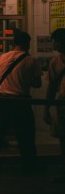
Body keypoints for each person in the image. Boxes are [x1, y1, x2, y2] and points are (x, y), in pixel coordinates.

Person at [0, 29, 42, 174]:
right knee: (26, 136)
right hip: (21, 102)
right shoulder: (31, 60)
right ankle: (28, 167)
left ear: (13, 43)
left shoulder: (2, 58)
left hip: (2, 101)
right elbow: (37, 83)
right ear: (27, 43)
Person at [43, 28, 65, 180]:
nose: (54, 44)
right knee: (62, 138)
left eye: (56, 40)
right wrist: (46, 107)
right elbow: (51, 86)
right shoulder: (55, 61)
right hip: (61, 103)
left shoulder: (56, 61)